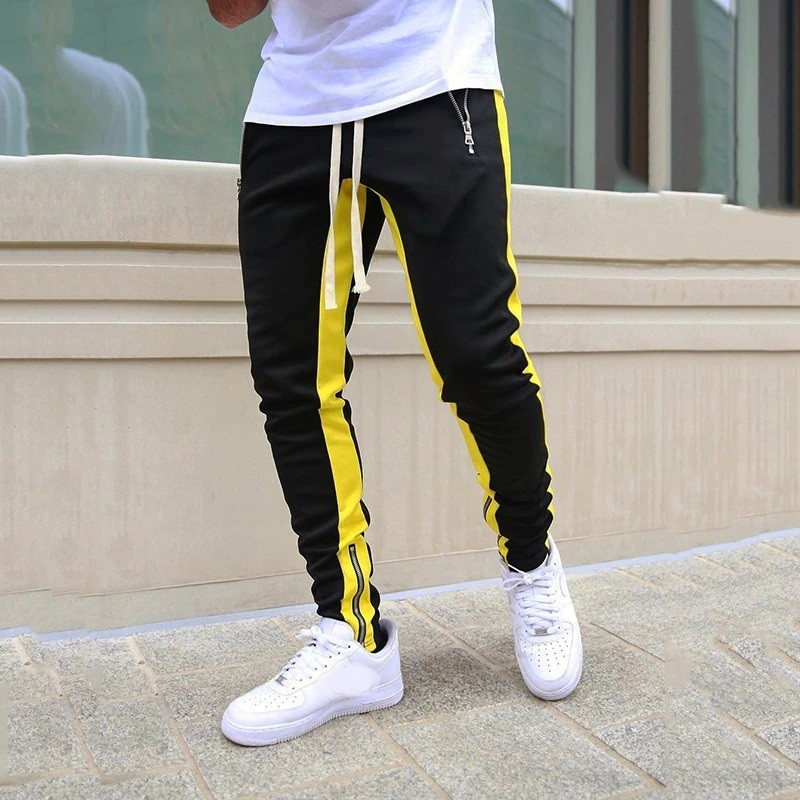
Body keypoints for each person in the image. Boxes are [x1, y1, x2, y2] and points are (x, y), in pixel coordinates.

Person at [208, 0, 583, 747]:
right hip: (297, 110)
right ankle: (353, 636)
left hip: (434, 87)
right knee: (293, 383)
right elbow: (228, 10)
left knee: (479, 357)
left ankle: (532, 563)